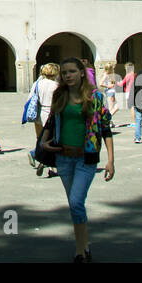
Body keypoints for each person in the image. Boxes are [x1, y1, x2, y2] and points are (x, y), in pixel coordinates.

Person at [37, 57, 114, 263]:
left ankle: (80, 251)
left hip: (86, 158)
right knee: (75, 205)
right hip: (63, 157)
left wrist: (110, 160)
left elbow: (105, 127)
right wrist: (43, 143)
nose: (67, 75)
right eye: (64, 72)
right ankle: (84, 245)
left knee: (76, 201)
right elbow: (52, 121)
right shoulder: (59, 95)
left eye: (72, 71)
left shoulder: (95, 96)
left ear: (82, 73)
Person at [29, 62, 61, 175]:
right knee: (52, 140)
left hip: (38, 113)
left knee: (40, 138)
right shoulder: (56, 85)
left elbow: (30, 98)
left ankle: (48, 165)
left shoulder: (37, 84)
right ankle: (42, 160)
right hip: (50, 114)